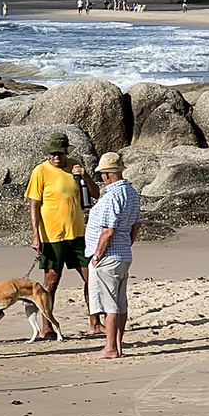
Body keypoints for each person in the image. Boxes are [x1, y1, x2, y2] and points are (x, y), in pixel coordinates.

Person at [26, 132, 93, 339]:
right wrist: (36, 236)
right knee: (51, 281)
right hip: (52, 237)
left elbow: (95, 194)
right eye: (53, 153)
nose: (57, 157)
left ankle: (95, 322)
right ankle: (46, 327)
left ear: (66, 153)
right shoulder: (40, 171)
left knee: (92, 278)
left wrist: (85, 176)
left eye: (60, 153)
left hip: (78, 234)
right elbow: (33, 206)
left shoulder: (75, 166)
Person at [86, 152, 142, 359]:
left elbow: (108, 230)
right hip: (123, 254)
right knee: (119, 303)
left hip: (108, 256)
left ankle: (110, 348)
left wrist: (97, 255)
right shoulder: (132, 192)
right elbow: (136, 224)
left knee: (110, 305)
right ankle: (117, 345)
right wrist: (127, 243)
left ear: (106, 175)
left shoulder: (112, 196)